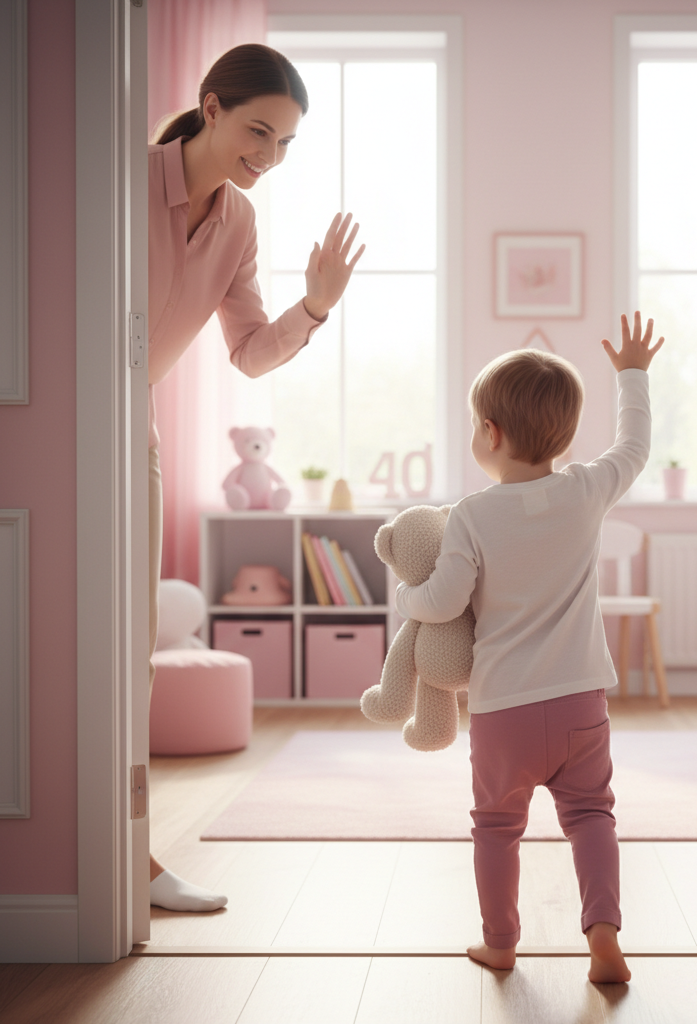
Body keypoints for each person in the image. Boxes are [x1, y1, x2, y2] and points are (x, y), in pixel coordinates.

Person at [147, 44, 365, 911]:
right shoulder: (124, 180)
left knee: (129, 656)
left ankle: (131, 857)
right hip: (65, 416)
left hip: (134, 427)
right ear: (211, 106)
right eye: (258, 132)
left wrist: (315, 306)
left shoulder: (236, 221)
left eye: (286, 144)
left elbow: (247, 354)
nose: (269, 156)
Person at [395, 312, 663, 984]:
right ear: (564, 436)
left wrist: (406, 601)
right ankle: (603, 937)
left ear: (490, 433)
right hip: (579, 700)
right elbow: (634, 446)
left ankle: (501, 943)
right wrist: (632, 374)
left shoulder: (473, 515)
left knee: (495, 826)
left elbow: (445, 602)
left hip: (505, 708)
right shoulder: (587, 490)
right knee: (592, 814)